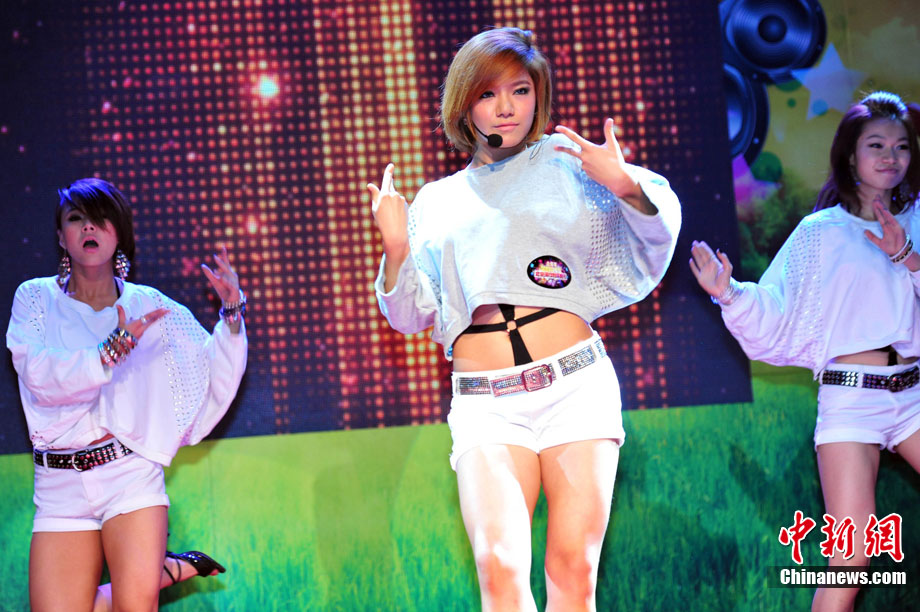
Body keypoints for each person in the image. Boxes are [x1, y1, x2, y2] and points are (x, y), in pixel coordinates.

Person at [369, 27, 681, 612]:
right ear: (464, 104)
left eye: (520, 90)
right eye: (488, 94)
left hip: (574, 387)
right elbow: (412, 315)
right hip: (486, 403)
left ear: (539, 96)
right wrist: (396, 247)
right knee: (500, 569)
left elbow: (658, 231)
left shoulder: (569, 166)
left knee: (572, 570)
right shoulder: (436, 201)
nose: (506, 107)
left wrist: (624, 184)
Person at [690, 91, 920, 612]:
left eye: (902, 146)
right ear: (851, 156)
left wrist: (906, 254)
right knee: (852, 554)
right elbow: (776, 306)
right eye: (876, 145)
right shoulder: (821, 232)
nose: (890, 156)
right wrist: (728, 293)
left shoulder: (916, 219)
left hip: (913, 394)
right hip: (851, 400)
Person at [6, 178, 248, 611]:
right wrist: (110, 351)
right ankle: (164, 569)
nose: (88, 228)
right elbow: (38, 373)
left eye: (100, 219)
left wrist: (231, 313)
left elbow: (209, 368)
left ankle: (149, 574)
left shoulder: (149, 306)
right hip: (59, 484)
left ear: (119, 233)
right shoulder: (35, 298)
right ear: (61, 236)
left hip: (129, 477)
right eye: (76, 219)